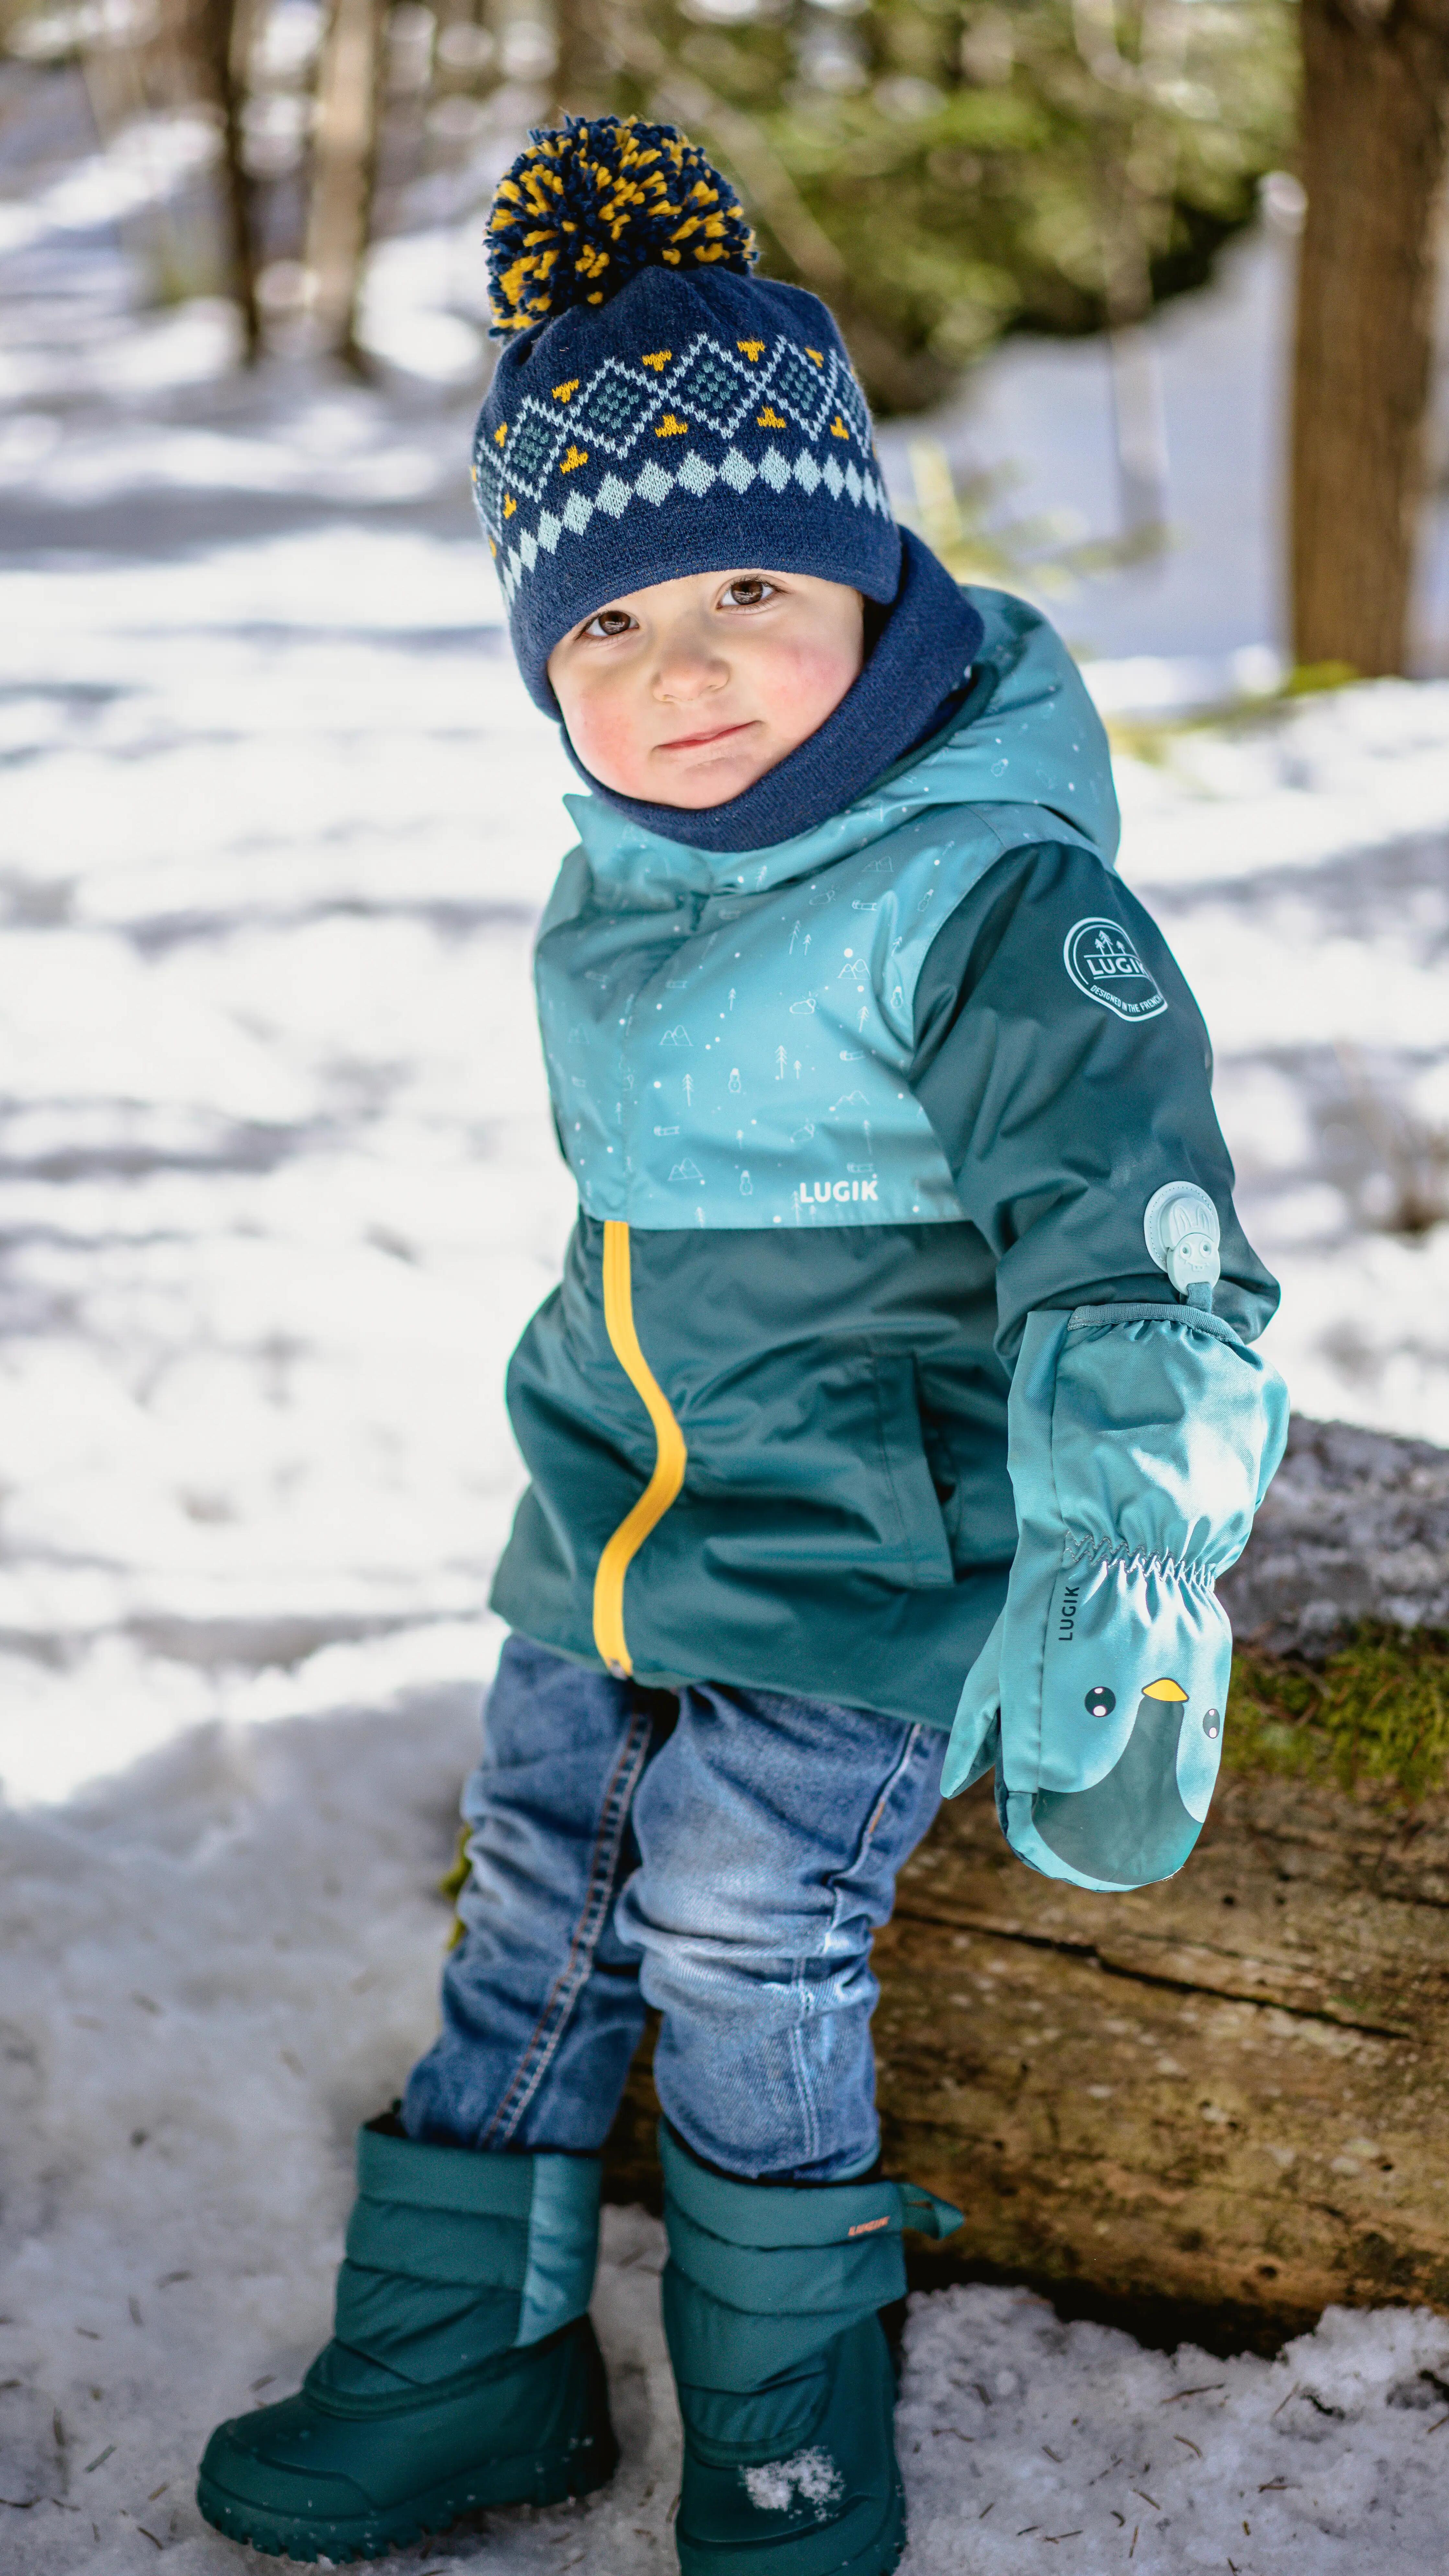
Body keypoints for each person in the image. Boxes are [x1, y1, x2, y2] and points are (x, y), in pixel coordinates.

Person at [197, 114, 1288, 2575]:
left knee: (735, 1908)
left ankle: (791, 2408)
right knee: (539, 1895)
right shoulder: (642, 876)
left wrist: (1131, 1551)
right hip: (613, 1529)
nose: (676, 676)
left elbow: (1152, 1249)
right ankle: (456, 2359)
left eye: (745, 595)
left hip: (877, 1546)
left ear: (879, 583)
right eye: (600, 629)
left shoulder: (988, 891)